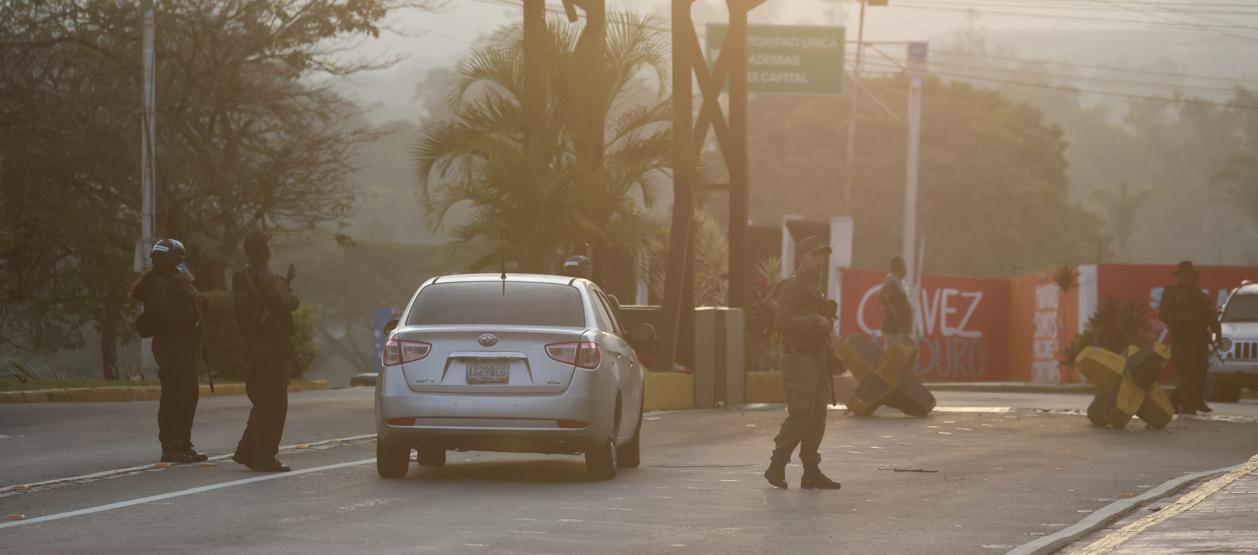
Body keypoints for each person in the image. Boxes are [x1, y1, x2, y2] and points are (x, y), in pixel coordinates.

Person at [764, 236, 842, 490]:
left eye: (822, 256)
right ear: (802, 257)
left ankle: (811, 470)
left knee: (818, 416)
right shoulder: (791, 286)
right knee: (801, 413)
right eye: (813, 255)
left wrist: (833, 355)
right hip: (798, 359)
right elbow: (781, 322)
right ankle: (777, 465)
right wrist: (813, 320)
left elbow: (822, 328)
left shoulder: (814, 288)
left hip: (817, 359)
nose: (819, 261)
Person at [130, 239, 208, 464]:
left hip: (183, 345)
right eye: (177, 260)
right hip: (170, 345)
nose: (180, 265)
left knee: (189, 395)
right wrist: (187, 294)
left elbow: (194, 303)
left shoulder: (175, 280)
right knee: (175, 395)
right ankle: (171, 445)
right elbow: (171, 315)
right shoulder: (158, 284)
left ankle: (183, 442)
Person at [232, 231, 300, 472]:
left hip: (252, 344)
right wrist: (287, 286)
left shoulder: (241, 277)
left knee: (262, 399)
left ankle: (247, 450)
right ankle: (264, 455)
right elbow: (292, 302)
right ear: (266, 251)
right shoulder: (268, 277)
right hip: (272, 345)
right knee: (274, 402)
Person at [1159, 261, 1222, 415]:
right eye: (1186, 274)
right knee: (1187, 372)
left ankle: (1179, 400)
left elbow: (1210, 316)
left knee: (1200, 370)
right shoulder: (1171, 292)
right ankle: (1190, 403)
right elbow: (1163, 314)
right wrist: (1182, 318)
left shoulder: (1200, 295)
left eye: (1192, 275)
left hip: (1199, 338)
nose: (1190, 278)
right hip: (1181, 338)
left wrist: (1218, 333)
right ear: (1179, 276)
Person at [880, 255, 913, 339]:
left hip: (900, 330)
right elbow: (882, 295)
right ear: (900, 267)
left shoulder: (898, 281)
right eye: (905, 266)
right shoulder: (892, 280)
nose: (906, 269)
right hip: (893, 329)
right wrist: (894, 315)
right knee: (892, 351)